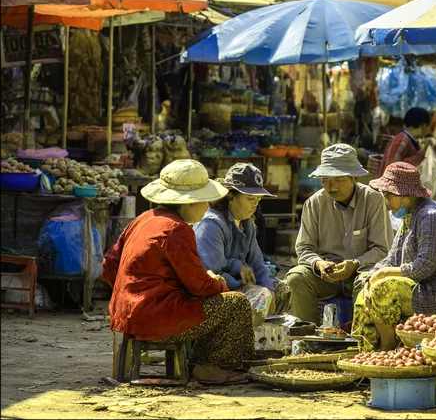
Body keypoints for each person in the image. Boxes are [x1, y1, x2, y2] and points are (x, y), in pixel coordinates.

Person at [100, 160, 254, 384]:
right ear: (189, 203)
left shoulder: (143, 219)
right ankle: (206, 368)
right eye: (204, 201)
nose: (207, 207)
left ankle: (200, 364)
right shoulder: (177, 229)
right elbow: (199, 286)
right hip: (157, 317)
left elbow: (109, 265)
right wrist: (218, 283)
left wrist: (129, 296)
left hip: (126, 315)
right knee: (236, 303)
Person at [354, 162, 436, 351]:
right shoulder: (410, 216)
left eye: (389, 196)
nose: (387, 203)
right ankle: (367, 351)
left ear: (406, 195)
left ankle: (387, 348)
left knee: (382, 289)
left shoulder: (431, 216)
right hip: (426, 286)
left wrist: (383, 274)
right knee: (364, 292)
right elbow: (392, 258)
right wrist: (371, 275)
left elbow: (424, 267)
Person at [286, 144, 393, 325]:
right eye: (326, 180)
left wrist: (356, 263)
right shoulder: (314, 204)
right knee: (296, 278)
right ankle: (308, 339)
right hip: (326, 276)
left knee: (368, 282)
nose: (332, 187)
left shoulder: (373, 200)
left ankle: (363, 340)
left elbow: (382, 249)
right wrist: (318, 263)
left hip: (360, 271)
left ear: (355, 178)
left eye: (339, 180)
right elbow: (304, 248)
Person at [194, 163, 291, 332]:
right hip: (217, 294)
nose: (255, 205)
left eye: (258, 200)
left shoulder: (247, 224)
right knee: (259, 297)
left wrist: (269, 289)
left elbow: (258, 263)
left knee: (281, 289)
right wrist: (240, 271)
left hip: (240, 286)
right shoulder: (211, 226)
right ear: (231, 197)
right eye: (250, 199)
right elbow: (212, 276)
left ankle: (261, 341)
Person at [377, 107, 432, 177]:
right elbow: (392, 167)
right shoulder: (402, 140)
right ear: (423, 126)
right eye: (428, 127)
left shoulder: (410, 140)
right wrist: (421, 153)